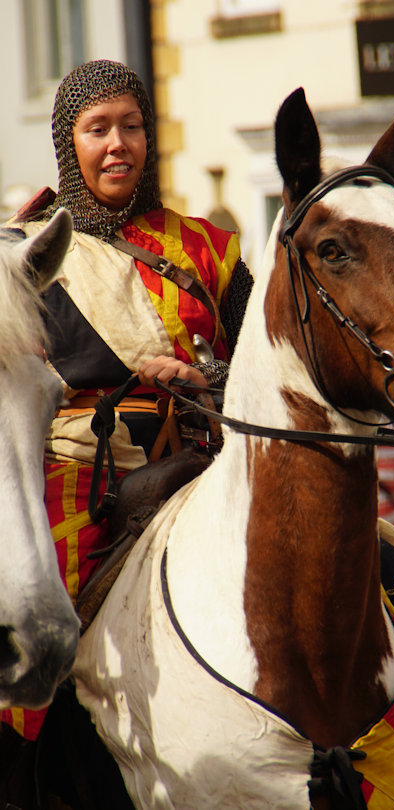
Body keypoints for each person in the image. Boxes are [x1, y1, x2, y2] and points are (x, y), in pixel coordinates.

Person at [0, 59, 252, 746]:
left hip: (208, 461)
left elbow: (266, 369)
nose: (119, 144)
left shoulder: (210, 249)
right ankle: (20, 755)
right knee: (32, 595)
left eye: (132, 127)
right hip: (81, 474)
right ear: (69, 143)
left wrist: (208, 383)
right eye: (99, 129)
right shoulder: (28, 254)